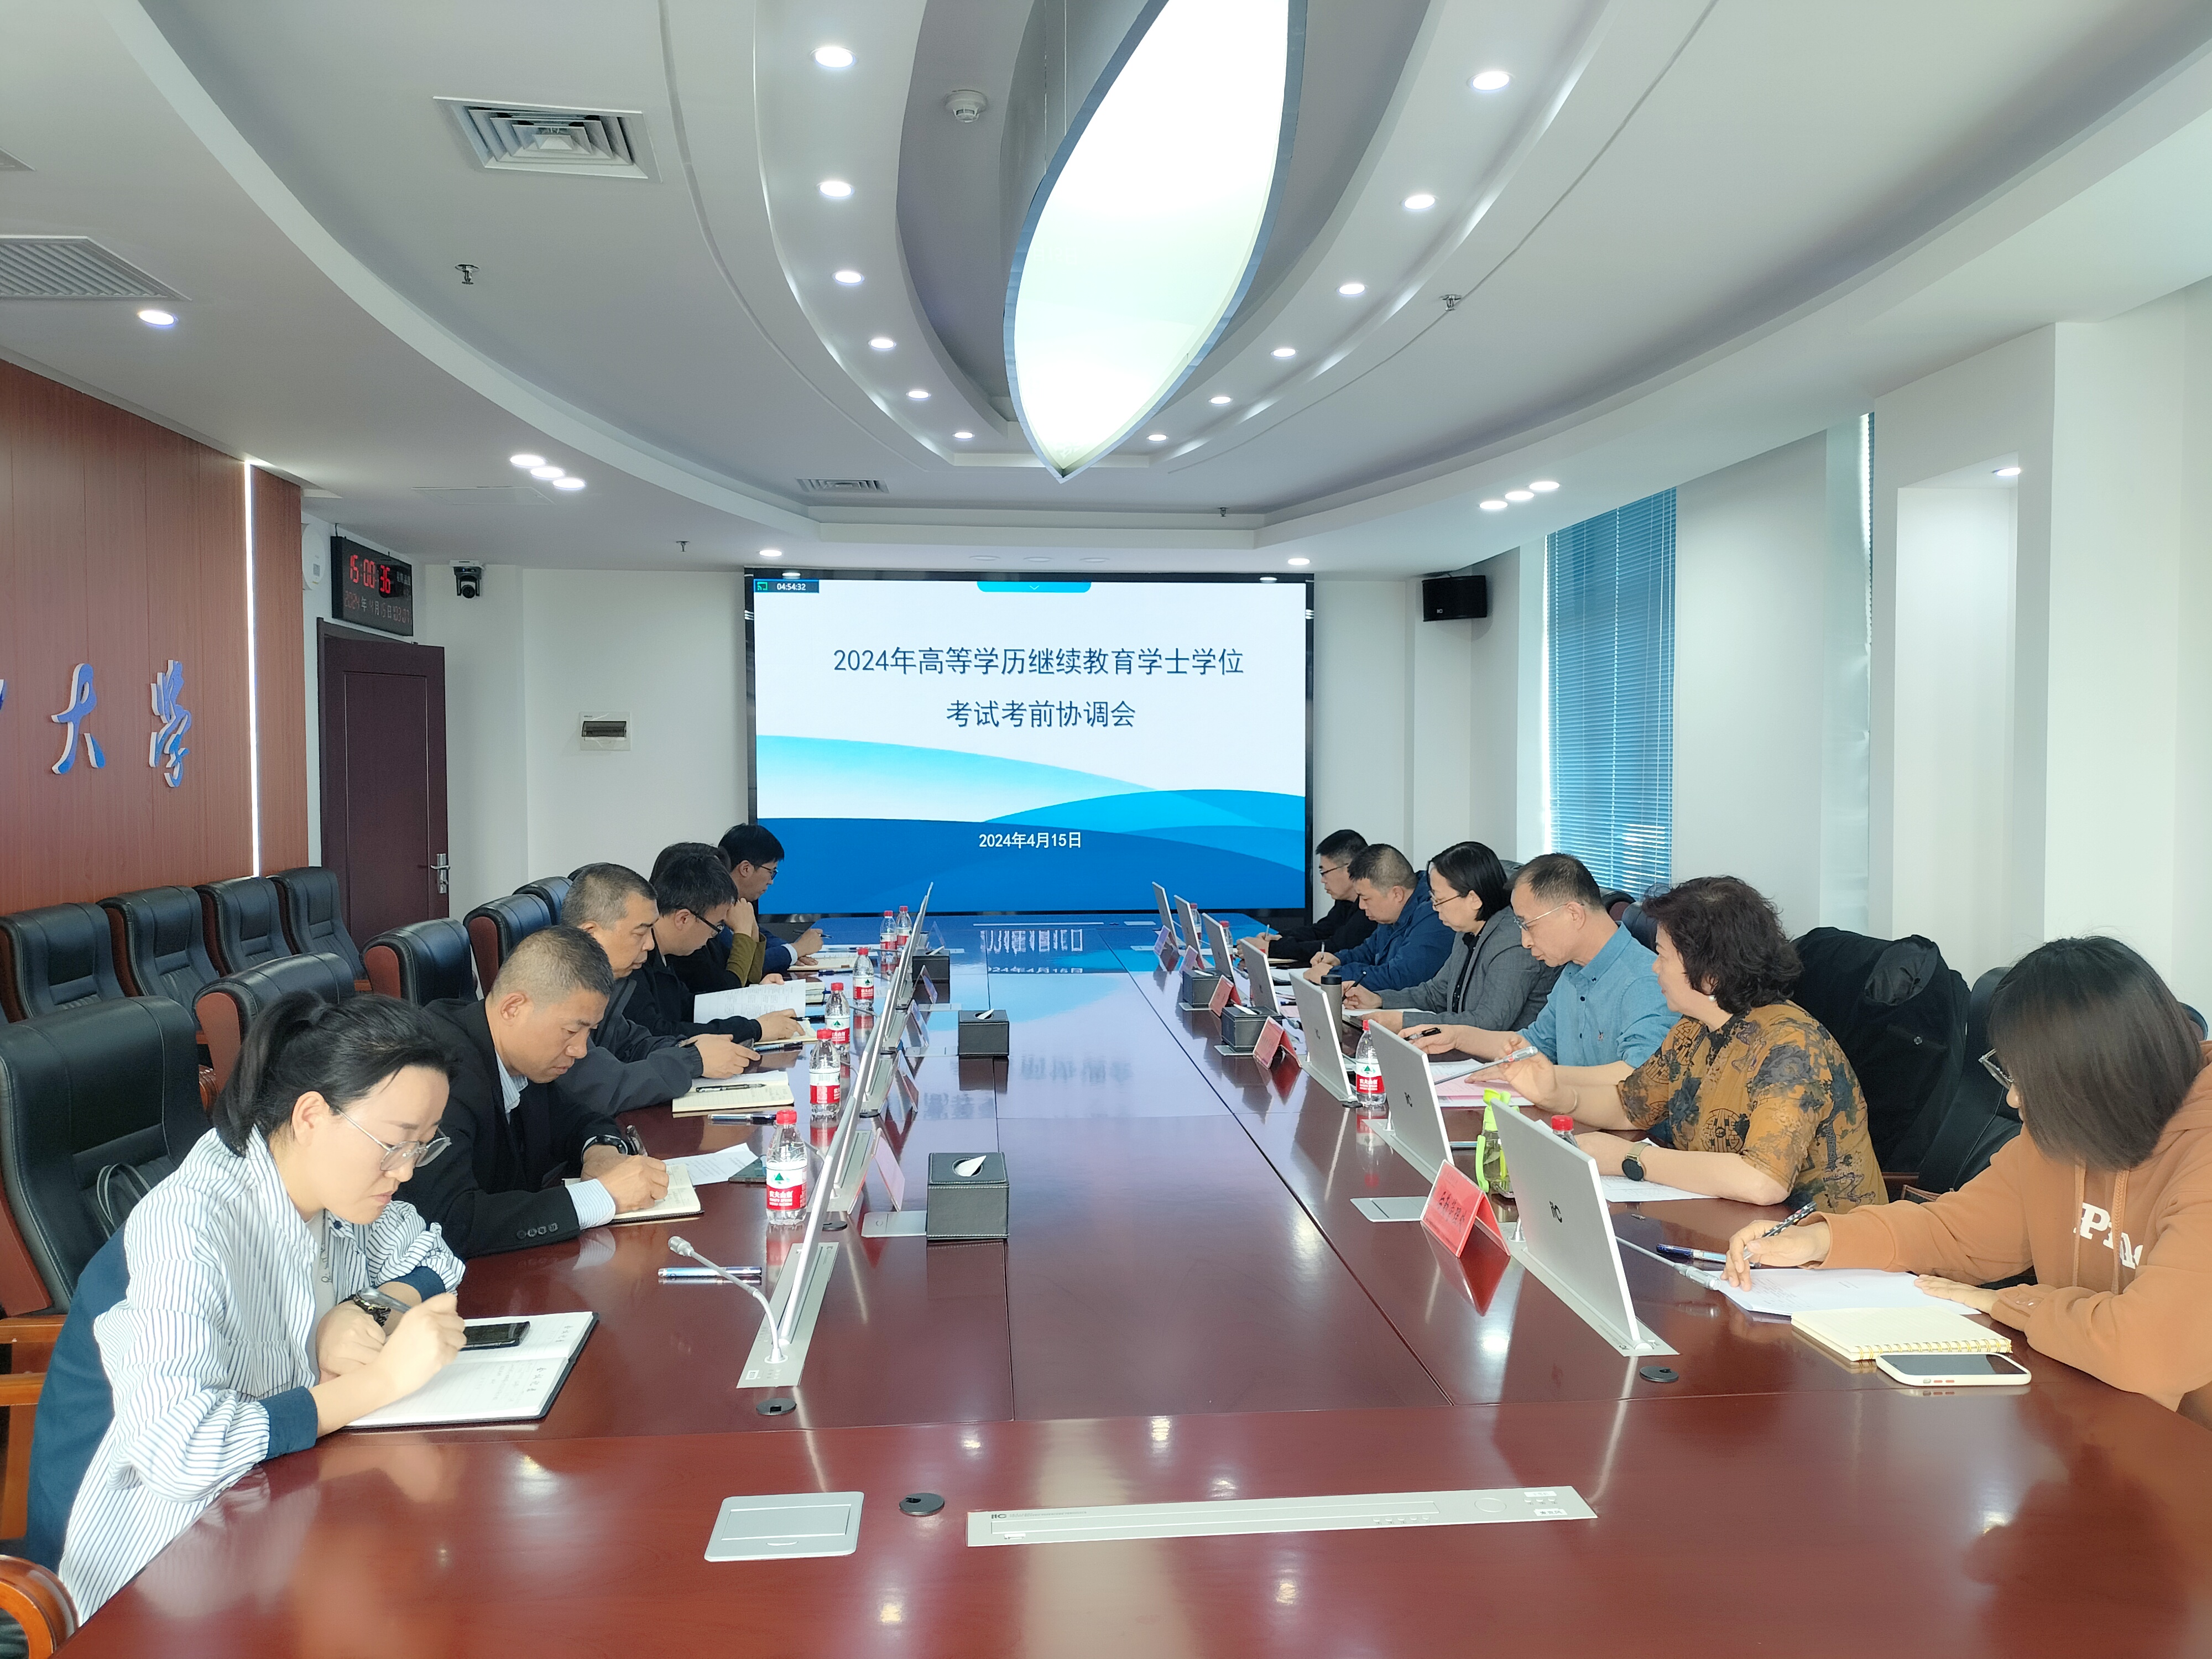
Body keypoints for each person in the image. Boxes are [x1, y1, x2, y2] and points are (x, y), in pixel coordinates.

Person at [28, 994, 469, 1618]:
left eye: (422, 1146)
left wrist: (370, 1306)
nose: (405, 1172)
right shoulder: (190, 1227)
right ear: (312, 1115)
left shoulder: (335, 1192)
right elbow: (181, 1453)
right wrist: (381, 1383)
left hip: (274, 1508)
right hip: (148, 1567)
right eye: (396, 1143)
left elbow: (434, 1256)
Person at [1727, 936, 2212, 1423]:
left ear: (2092, 1077)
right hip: (2088, 1415)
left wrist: (2012, 1304)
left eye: (2030, 1082)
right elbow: (1957, 1233)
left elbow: (2147, 1350)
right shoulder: (2063, 1137)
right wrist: (1820, 1240)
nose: (2015, 1101)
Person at [1506, 876, 1885, 1211]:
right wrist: (1559, 1096)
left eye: (1663, 956)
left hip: (1817, 1244)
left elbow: (1763, 1181)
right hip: (1726, 1220)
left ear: (1710, 974)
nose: (1654, 967)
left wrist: (1631, 1158)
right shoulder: (1694, 1029)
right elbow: (1631, 1106)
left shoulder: (1791, 1047)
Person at [401, 927, 672, 1256]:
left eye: (589, 1032)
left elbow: (580, 1119)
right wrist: (604, 1196)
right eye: (571, 1030)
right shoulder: (440, 1073)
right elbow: (451, 1222)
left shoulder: (520, 1058)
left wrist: (601, 1153)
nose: (580, 1050)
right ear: (513, 1008)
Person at [1411, 852, 1674, 1086]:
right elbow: (1535, 1044)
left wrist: (1539, 1075)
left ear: (1573, 914)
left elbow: (1638, 1076)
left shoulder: (1646, 982)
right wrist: (1457, 1037)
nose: (1525, 941)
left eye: (1528, 925)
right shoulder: (1573, 971)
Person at [560, 862, 755, 1106]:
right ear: (591, 934)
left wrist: (688, 1047)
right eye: (639, 933)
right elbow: (605, 1087)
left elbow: (633, 1043)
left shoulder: (600, 986)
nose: (650, 944)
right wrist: (694, 1060)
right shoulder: (559, 995)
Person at [1342, 841, 1557, 1036]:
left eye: (1440, 900)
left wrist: (1403, 1021)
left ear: (1473, 899)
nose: (1435, 909)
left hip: (1508, 1059)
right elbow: (1437, 993)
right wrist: (1380, 1000)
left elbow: (1489, 1022)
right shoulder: (1468, 929)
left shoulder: (1513, 943)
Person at [628, 847, 810, 1046]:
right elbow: (659, 1032)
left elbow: (690, 1007)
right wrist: (755, 1029)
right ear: (683, 919)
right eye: (716, 927)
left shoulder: (662, 954)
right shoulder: (634, 961)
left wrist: (753, 999)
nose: (713, 936)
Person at [1303, 843, 1453, 990]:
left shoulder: (1434, 915)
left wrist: (1335, 975)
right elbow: (1369, 951)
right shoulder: (1391, 913)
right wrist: (1339, 960)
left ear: (1397, 894)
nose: (1361, 906)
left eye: (1366, 898)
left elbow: (1400, 977)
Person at [1241, 830, 1376, 967]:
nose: (1323, 880)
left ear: (1350, 869)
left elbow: (1335, 947)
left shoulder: (1371, 908)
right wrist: (1279, 938)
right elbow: (1320, 931)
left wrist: (1272, 949)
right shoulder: (1345, 902)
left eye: (1324, 872)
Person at [715, 825, 823, 985]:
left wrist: (795, 950)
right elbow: (746, 963)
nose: (771, 881)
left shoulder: (739, 903)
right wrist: (796, 950)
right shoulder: (716, 908)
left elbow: (762, 936)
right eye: (771, 872)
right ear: (746, 869)